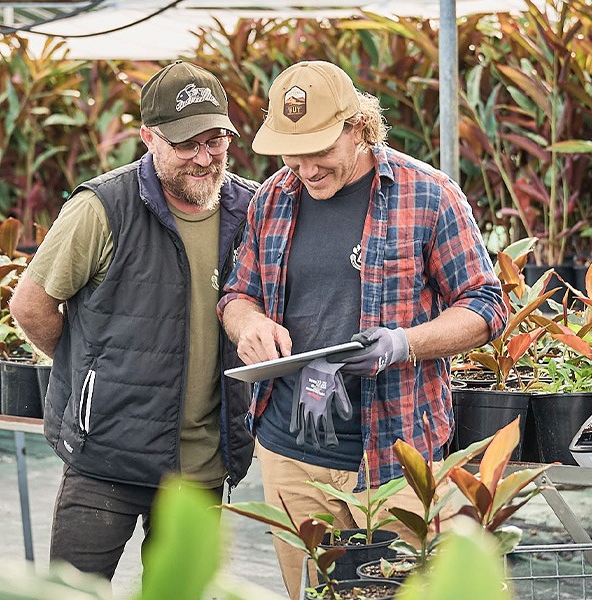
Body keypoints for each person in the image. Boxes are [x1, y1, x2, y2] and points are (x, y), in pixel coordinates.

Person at [218, 60, 507, 598]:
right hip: (290, 453)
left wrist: (404, 344)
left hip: (396, 452)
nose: (304, 168)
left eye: (320, 151)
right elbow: (237, 295)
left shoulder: (428, 195)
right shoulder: (272, 200)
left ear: (358, 128)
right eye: (292, 152)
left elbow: (486, 305)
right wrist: (249, 325)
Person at [9, 60, 258, 581]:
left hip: (202, 467)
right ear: (149, 137)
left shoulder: (250, 211)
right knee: (73, 593)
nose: (204, 157)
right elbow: (30, 306)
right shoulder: (103, 207)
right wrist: (91, 370)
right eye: (187, 142)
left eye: (215, 140)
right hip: (106, 459)